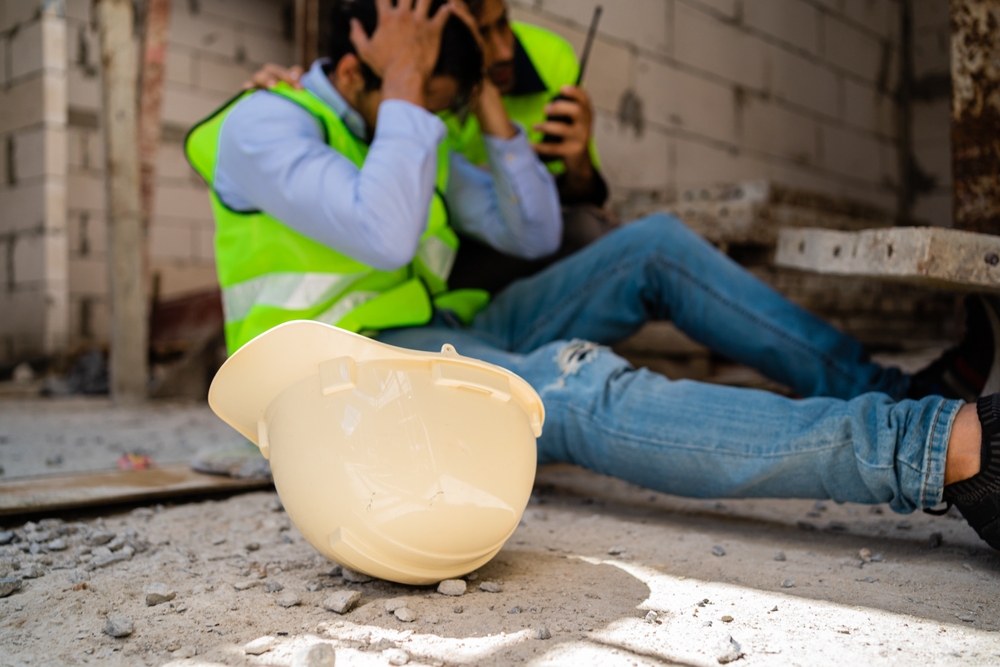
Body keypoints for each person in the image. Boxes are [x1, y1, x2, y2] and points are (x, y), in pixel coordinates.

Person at [187, 0, 1000, 552]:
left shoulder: (404, 124)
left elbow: (534, 228)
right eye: (432, 95)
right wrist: (407, 88)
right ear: (365, 61)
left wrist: (482, 111)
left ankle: (891, 390)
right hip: (347, 372)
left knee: (652, 247)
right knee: (575, 385)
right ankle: (937, 449)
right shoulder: (267, 122)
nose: (441, 120)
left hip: (449, 328)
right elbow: (385, 233)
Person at [245, 0, 613, 294]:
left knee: (607, 233)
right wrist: (405, 86)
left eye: (503, 23)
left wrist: (477, 81)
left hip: (447, 276)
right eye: (482, 33)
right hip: (407, 296)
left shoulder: (537, 60)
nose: (502, 50)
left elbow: (540, 233)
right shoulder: (285, 118)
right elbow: (385, 238)